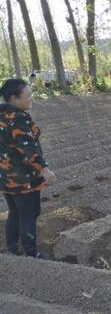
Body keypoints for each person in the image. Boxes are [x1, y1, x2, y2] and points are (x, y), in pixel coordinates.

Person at [0, 78, 56, 258]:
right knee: (29, 213)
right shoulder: (18, 118)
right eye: (28, 96)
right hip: (24, 178)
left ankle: (11, 250)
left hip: (6, 177)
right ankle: (31, 255)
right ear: (14, 98)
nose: (31, 99)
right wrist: (44, 169)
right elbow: (28, 149)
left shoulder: (2, 115)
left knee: (15, 213)